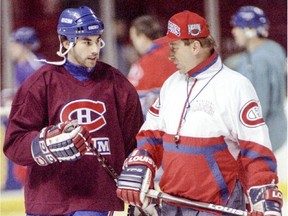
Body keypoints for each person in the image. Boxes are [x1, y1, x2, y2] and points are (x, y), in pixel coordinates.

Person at [116, 10, 283, 216]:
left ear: (195, 46)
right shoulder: (172, 84)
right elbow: (152, 133)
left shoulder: (235, 86)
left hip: (217, 205)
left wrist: (262, 195)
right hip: (171, 203)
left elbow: (255, 148)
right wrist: (142, 162)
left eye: (174, 48)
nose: (169, 55)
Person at [3, 6, 143, 216]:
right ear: (66, 42)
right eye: (87, 41)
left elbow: (137, 139)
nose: (95, 49)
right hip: (47, 197)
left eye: (97, 40)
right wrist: (43, 145)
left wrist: (138, 169)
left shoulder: (117, 85)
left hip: (94, 197)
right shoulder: (40, 83)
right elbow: (14, 143)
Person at [228, 5, 287, 152]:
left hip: (264, 138)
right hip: (279, 130)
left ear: (249, 31)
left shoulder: (256, 62)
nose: (234, 31)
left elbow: (258, 107)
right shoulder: (274, 48)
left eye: (238, 27)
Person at [127, 15, 177, 117]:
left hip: (156, 125)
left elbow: (127, 101)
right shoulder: (178, 53)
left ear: (142, 37)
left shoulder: (142, 65)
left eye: (134, 39)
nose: (134, 44)